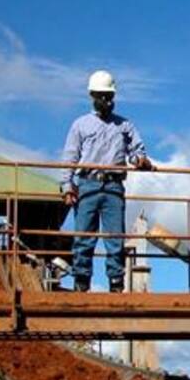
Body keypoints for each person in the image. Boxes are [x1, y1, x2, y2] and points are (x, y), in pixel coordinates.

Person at [60, 69, 154, 291]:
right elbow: (70, 157)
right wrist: (67, 187)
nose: (105, 100)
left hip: (113, 186)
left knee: (114, 237)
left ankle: (115, 282)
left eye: (108, 96)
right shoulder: (80, 125)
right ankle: (81, 281)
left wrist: (140, 160)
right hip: (87, 185)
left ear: (113, 97)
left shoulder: (124, 126)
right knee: (84, 236)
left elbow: (136, 151)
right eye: (101, 96)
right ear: (93, 96)